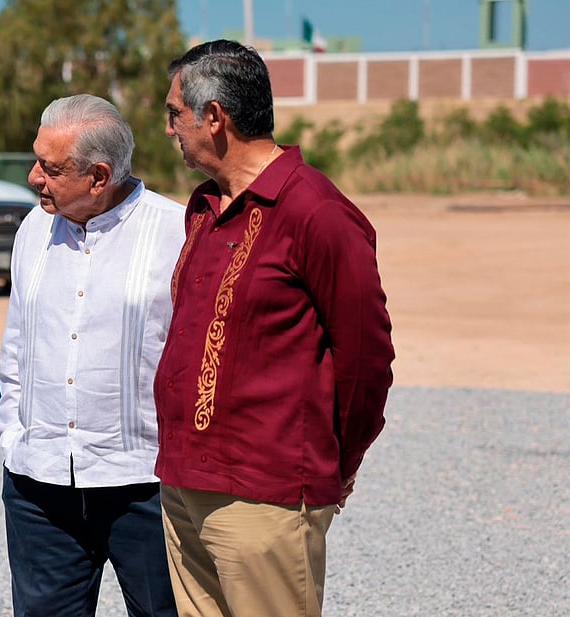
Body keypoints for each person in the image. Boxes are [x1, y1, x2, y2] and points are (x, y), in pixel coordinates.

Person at [155, 39, 396, 617]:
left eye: (174, 114)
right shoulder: (206, 206)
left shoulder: (316, 211)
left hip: (265, 493)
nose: (169, 129)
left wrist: (339, 460)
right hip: (183, 482)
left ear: (214, 118)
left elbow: (366, 358)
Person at [0, 94, 184, 617]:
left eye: (51, 168)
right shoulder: (32, 228)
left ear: (99, 176)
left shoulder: (179, 233)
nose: (34, 176)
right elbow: (18, 341)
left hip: (145, 488)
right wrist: (15, 434)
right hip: (39, 485)